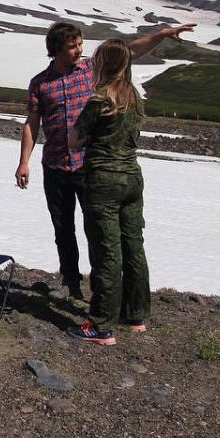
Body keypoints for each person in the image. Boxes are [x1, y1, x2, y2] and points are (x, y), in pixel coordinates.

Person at [14, 21, 193, 300]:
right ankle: (70, 282)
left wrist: (160, 35)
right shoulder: (40, 83)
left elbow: (128, 52)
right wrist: (24, 161)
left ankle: (103, 290)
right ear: (56, 49)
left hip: (91, 166)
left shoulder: (91, 68)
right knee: (63, 228)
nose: (79, 50)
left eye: (80, 44)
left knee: (98, 229)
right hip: (56, 165)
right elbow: (32, 123)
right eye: (72, 46)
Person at [65, 39, 149, 345]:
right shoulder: (134, 97)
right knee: (133, 245)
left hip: (103, 179)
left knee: (106, 250)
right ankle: (135, 314)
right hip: (132, 177)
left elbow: (74, 139)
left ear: (103, 64)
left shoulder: (100, 99)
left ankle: (101, 325)